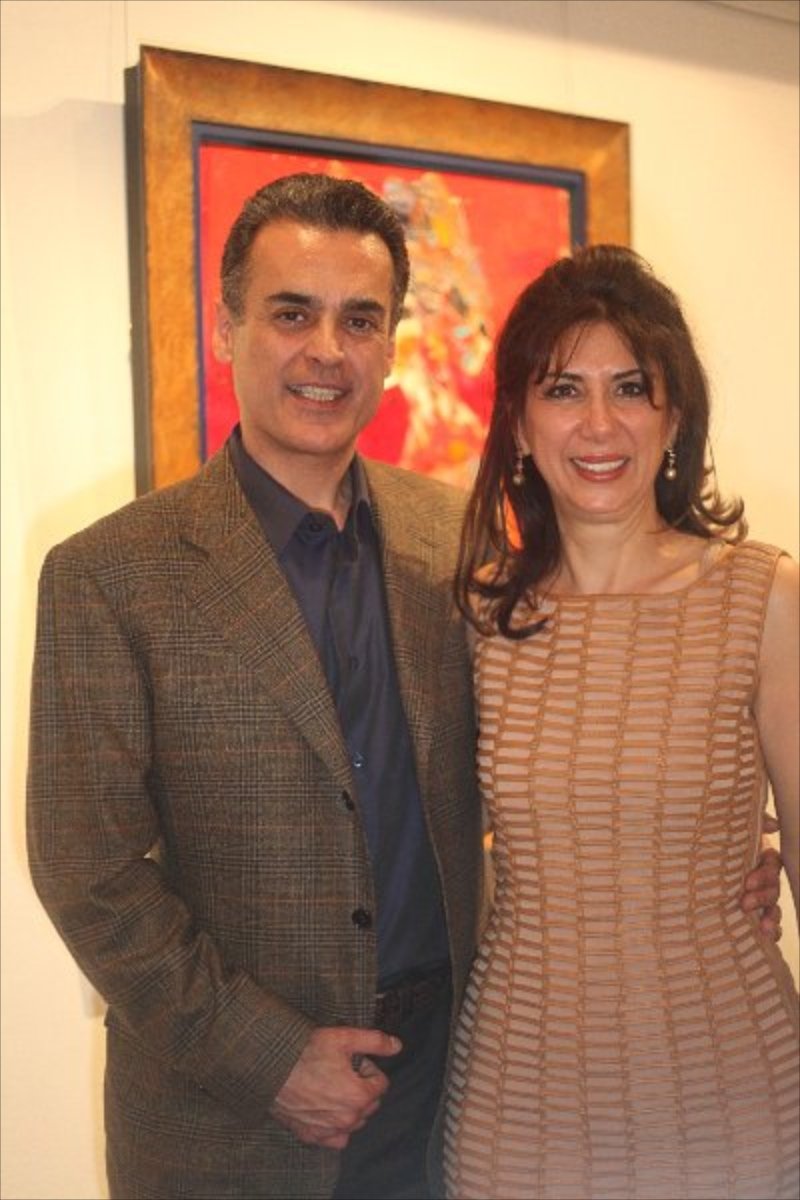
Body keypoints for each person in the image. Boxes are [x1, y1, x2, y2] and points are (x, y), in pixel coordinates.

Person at [26, 180, 781, 1200]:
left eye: (359, 320)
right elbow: (87, 871)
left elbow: (556, 759)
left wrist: (705, 865)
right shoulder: (112, 573)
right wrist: (269, 1059)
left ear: (389, 348)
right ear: (225, 327)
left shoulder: (457, 548)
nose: (325, 351)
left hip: (454, 1087)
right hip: (230, 1124)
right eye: (291, 313)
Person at [445, 244, 799, 1199]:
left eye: (631, 388)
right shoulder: (476, 616)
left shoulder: (764, 598)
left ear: (674, 417)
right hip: (518, 1097)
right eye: (564, 390)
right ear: (518, 425)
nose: (599, 424)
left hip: (732, 1088)